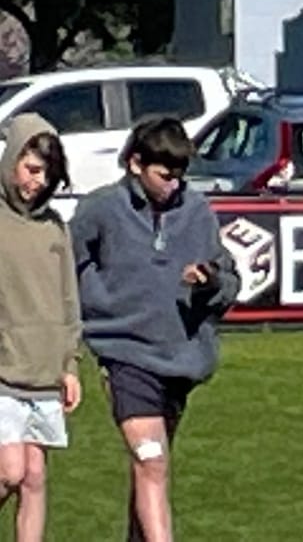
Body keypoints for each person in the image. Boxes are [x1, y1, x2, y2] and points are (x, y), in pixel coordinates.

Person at [72, 116, 238, 542]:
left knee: (151, 468)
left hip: (181, 358)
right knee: (151, 460)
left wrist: (211, 281)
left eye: (180, 175)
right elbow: (63, 270)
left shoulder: (198, 212)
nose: (174, 185)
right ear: (135, 163)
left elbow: (229, 282)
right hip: (125, 353)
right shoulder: (100, 209)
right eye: (165, 175)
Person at [0, 117, 82, 542]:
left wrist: (70, 365)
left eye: (47, 173)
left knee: (34, 477)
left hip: (46, 371)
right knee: (10, 471)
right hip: (4, 370)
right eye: (32, 169)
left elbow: (68, 298)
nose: (39, 181)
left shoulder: (54, 227)